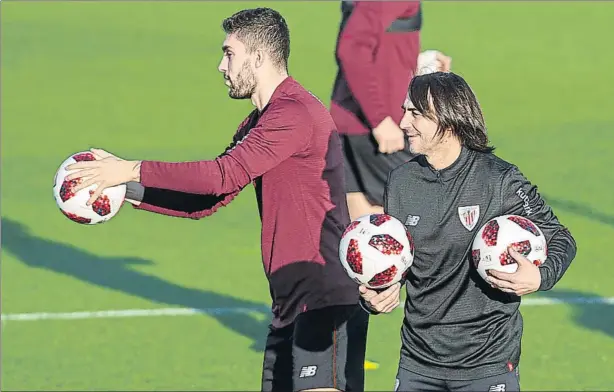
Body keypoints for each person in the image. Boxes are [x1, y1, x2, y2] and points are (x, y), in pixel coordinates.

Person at [66, 8, 368, 392]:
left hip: (324, 298)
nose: (220, 65)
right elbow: (208, 199)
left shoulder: (295, 113)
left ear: (258, 58)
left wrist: (130, 169)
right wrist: (121, 190)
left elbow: (222, 174)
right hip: (289, 304)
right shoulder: (258, 123)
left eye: (229, 53)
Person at [359, 72, 578, 391]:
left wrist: (540, 277)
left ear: (447, 118)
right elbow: (401, 263)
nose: (404, 122)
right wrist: (375, 294)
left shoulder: (499, 180)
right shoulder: (401, 182)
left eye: (415, 113)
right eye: (405, 111)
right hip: (418, 363)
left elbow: (559, 237)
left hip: (487, 364)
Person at [329, 1, 451, 220]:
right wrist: (380, 119)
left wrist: (415, 63)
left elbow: (373, 38)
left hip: (352, 120)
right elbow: (352, 48)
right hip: (381, 128)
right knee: (420, 226)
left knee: (364, 235)